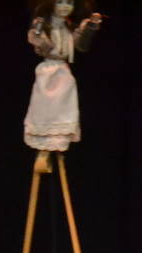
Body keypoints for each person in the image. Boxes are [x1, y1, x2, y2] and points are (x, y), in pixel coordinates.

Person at [23, 0, 104, 153]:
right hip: (48, 73)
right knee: (45, 109)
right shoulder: (46, 25)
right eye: (60, 2)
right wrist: (39, 31)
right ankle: (44, 148)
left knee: (63, 111)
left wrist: (90, 28)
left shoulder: (68, 27)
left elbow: (80, 45)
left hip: (64, 75)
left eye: (69, 3)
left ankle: (58, 142)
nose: (65, 7)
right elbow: (42, 45)